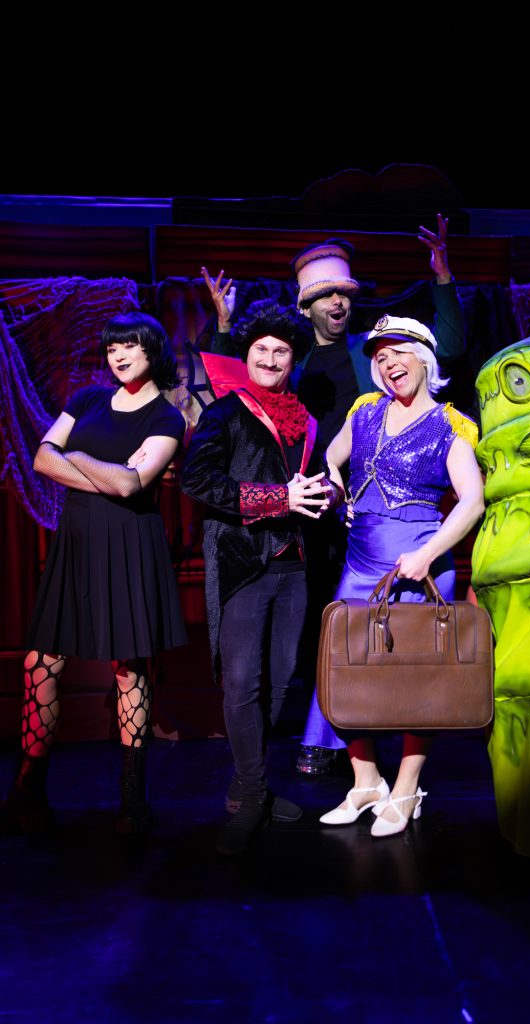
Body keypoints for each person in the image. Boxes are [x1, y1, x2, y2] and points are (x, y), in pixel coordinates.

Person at [201, 216, 468, 774]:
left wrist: (442, 277)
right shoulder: (289, 358)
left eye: (344, 293)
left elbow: (445, 349)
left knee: (372, 623)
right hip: (300, 503)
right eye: (325, 295)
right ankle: (326, 732)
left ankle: (361, 735)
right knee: (317, 624)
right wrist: (224, 327)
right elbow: (234, 385)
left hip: (366, 511)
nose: (338, 302)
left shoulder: (372, 354)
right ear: (306, 306)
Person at [0, 312, 187, 836]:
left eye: (129, 345)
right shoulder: (86, 400)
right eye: (111, 348)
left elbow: (130, 486)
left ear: (153, 350)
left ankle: (132, 797)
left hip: (128, 544)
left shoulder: (167, 417)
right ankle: (28, 791)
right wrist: (100, 468)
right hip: (77, 543)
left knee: (128, 669)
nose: (118, 355)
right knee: (40, 663)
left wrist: (76, 455)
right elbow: (42, 460)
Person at [180, 299, 342, 855]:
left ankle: (247, 787)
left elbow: (308, 483)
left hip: (295, 564)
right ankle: (252, 795)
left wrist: (326, 493)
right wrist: (277, 498)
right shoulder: (224, 413)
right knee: (243, 682)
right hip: (243, 561)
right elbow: (197, 481)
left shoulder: (305, 419)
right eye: (261, 350)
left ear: (293, 358)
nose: (271, 359)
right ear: (246, 356)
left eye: (281, 351)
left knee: (278, 683)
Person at [315, 314, 484, 836]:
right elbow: (331, 455)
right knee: (346, 671)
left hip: (417, 565)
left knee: (416, 680)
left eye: (398, 352)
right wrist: (336, 484)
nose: (388, 364)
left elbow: (472, 502)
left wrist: (428, 554)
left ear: (425, 359)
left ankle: (408, 787)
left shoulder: (452, 425)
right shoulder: (365, 411)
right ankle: (366, 781)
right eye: (380, 357)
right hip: (360, 563)